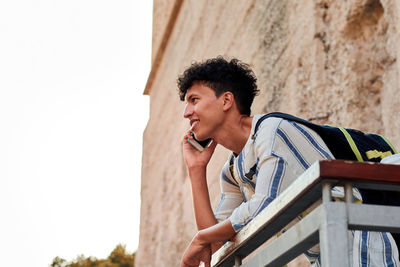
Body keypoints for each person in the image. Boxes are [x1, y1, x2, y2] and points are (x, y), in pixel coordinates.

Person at [178, 56, 399, 267]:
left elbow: (264, 204)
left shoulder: (272, 132)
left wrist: (201, 238)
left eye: (194, 100)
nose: (187, 113)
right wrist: (196, 169)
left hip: (365, 245)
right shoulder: (233, 170)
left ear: (226, 100)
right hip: (331, 253)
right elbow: (216, 243)